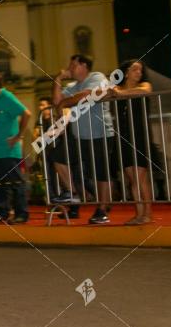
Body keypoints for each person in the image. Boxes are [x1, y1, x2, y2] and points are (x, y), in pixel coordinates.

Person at [52, 55, 115, 225]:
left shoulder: (96, 77)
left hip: (100, 133)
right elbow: (57, 101)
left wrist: (64, 103)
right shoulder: (73, 86)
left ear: (84, 66)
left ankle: (102, 209)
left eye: (73, 65)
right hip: (79, 135)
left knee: (101, 173)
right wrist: (57, 79)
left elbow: (87, 95)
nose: (69, 68)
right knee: (58, 157)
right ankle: (73, 193)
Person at [0, 72, 31, 224]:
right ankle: (3, 212)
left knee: (16, 183)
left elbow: (26, 113)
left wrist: (18, 136)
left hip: (10, 151)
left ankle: (21, 214)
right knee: (0, 184)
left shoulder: (7, 97)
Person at [110, 59, 154, 225]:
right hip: (124, 135)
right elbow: (106, 93)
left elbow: (144, 92)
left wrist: (119, 94)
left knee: (140, 177)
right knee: (132, 178)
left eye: (140, 70)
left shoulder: (145, 86)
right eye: (135, 69)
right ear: (126, 72)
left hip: (140, 134)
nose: (139, 73)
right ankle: (139, 213)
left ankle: (148, 214)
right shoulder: (117, 88)